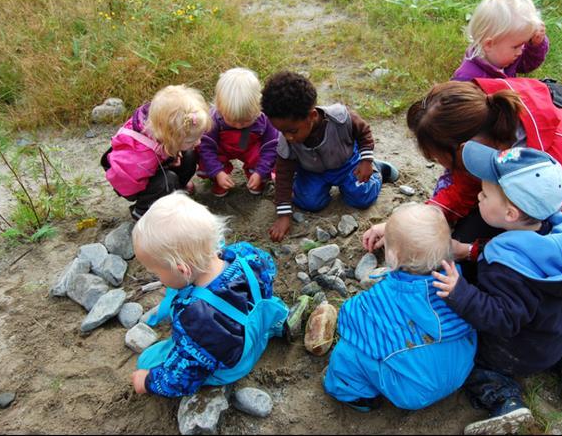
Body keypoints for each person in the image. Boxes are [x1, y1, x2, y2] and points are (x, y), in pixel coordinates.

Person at [363, 78, 562, 273]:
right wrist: (403, 228)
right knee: (458, 244)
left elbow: (558, 242)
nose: (443, 168)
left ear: (463, 149)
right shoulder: (483, 132)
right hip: (522, 195)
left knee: (506, 274)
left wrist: (470, 251)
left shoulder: (561, 164)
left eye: (441, 160)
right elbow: (463, 188)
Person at [432, 142, 562, 435]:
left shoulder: (506, 265)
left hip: (518, 352)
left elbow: (502, 318)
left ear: (510, 214)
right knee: (543, 335)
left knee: (469, 359)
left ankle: (505, 400)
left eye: (484, 194)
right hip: (555, 333)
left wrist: (461, 292)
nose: (478, 196)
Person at [130, 192, 289, 397]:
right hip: (259, 327)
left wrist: (149, 381)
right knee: (263, 298)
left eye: (156, 272)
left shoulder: (195, 316)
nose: (157, 277)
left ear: (182, 269)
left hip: (236, 364)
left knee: (148, 360)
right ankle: (277, 324)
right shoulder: (245, 253)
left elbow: (180, 381)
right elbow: (269, 275)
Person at [323, 203, 476, 412]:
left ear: (392, 259)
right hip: (461, 370)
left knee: (347, 352)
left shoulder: (375, 300)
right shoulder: (459, 283)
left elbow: (348, 320)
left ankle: (353, 393)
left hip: (413, 391)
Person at [260, 71, 399, 242]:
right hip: (312, 172)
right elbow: (283, 175)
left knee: (361, 196)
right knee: (309, 202)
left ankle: (378, 169)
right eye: (282, 131)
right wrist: (284, 215)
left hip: (348, 164)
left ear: (312, 116)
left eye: (292, 131)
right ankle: (310, 187)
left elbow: (364, 133)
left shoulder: (340, 118)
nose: (288, 137)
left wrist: (366, 161)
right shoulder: (287, 142)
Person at [101, 85, 210, 220]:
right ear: (171, 138)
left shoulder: (163, 130)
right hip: (129, 179)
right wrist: (164, 168)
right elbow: (125, 183)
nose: (198, 142)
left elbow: (165, 150)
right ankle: (143, 210)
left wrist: (171, 155)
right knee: (167, 180)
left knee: (189, 156)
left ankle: (176, 190)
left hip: (153, 163)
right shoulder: (140, 157)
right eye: (191, 140)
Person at [197, 67, 279, 197]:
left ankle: (257, 177)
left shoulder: (265, 119)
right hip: (223, 148)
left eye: (247, 120)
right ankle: (219, 179)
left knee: (264, 156)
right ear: (219, 108)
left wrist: (260, 172)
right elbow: (206, 148)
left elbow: (271, 147)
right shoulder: (213, 120)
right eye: (232, 120)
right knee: (205, 156)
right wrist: (218, 172)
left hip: (250, 148)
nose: (239, 125)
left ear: (259, 107)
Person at [452, 0, 548, 81]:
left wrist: (536, 45)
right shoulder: (467, 79)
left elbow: (527, 64)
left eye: (524, 43)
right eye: (516, 47)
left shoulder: (503, 56)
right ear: (489, 44)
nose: (520, 51)